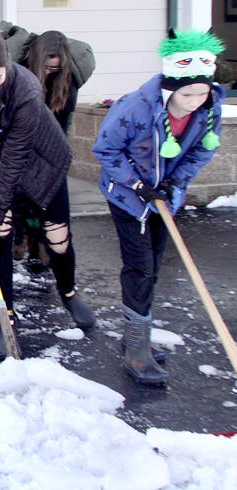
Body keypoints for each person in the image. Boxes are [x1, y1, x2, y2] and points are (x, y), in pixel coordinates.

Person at [0, 28, 96, 355]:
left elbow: (14, 163)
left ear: (7, 65)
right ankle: (8, 315)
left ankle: (69, 293)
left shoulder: (26, 89)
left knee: (57, 238)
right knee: (0, 233)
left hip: (41, 159)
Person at [92, 29, 225, 386]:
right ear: (171, 88)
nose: (196, 101)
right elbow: (104, 152)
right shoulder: (135, 107)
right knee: (140, 267)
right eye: (188, 94)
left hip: (164, 198)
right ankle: (137, 346)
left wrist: (173, 183)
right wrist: (138, 184)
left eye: (202, 93)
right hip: (126, 197)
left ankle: (138, 333)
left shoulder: (208, 109)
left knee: (152, 265)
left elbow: (203, 150)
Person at [13, 30, 81, 265]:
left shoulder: (68, 84)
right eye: (47, 68)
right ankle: (19, 242)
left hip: (51, 150)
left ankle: (44, 248)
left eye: (56, 69)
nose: (51, 73)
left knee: (48, 201)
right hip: (21, 147)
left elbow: (63, 126)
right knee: (21, 200)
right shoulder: (21, 78)